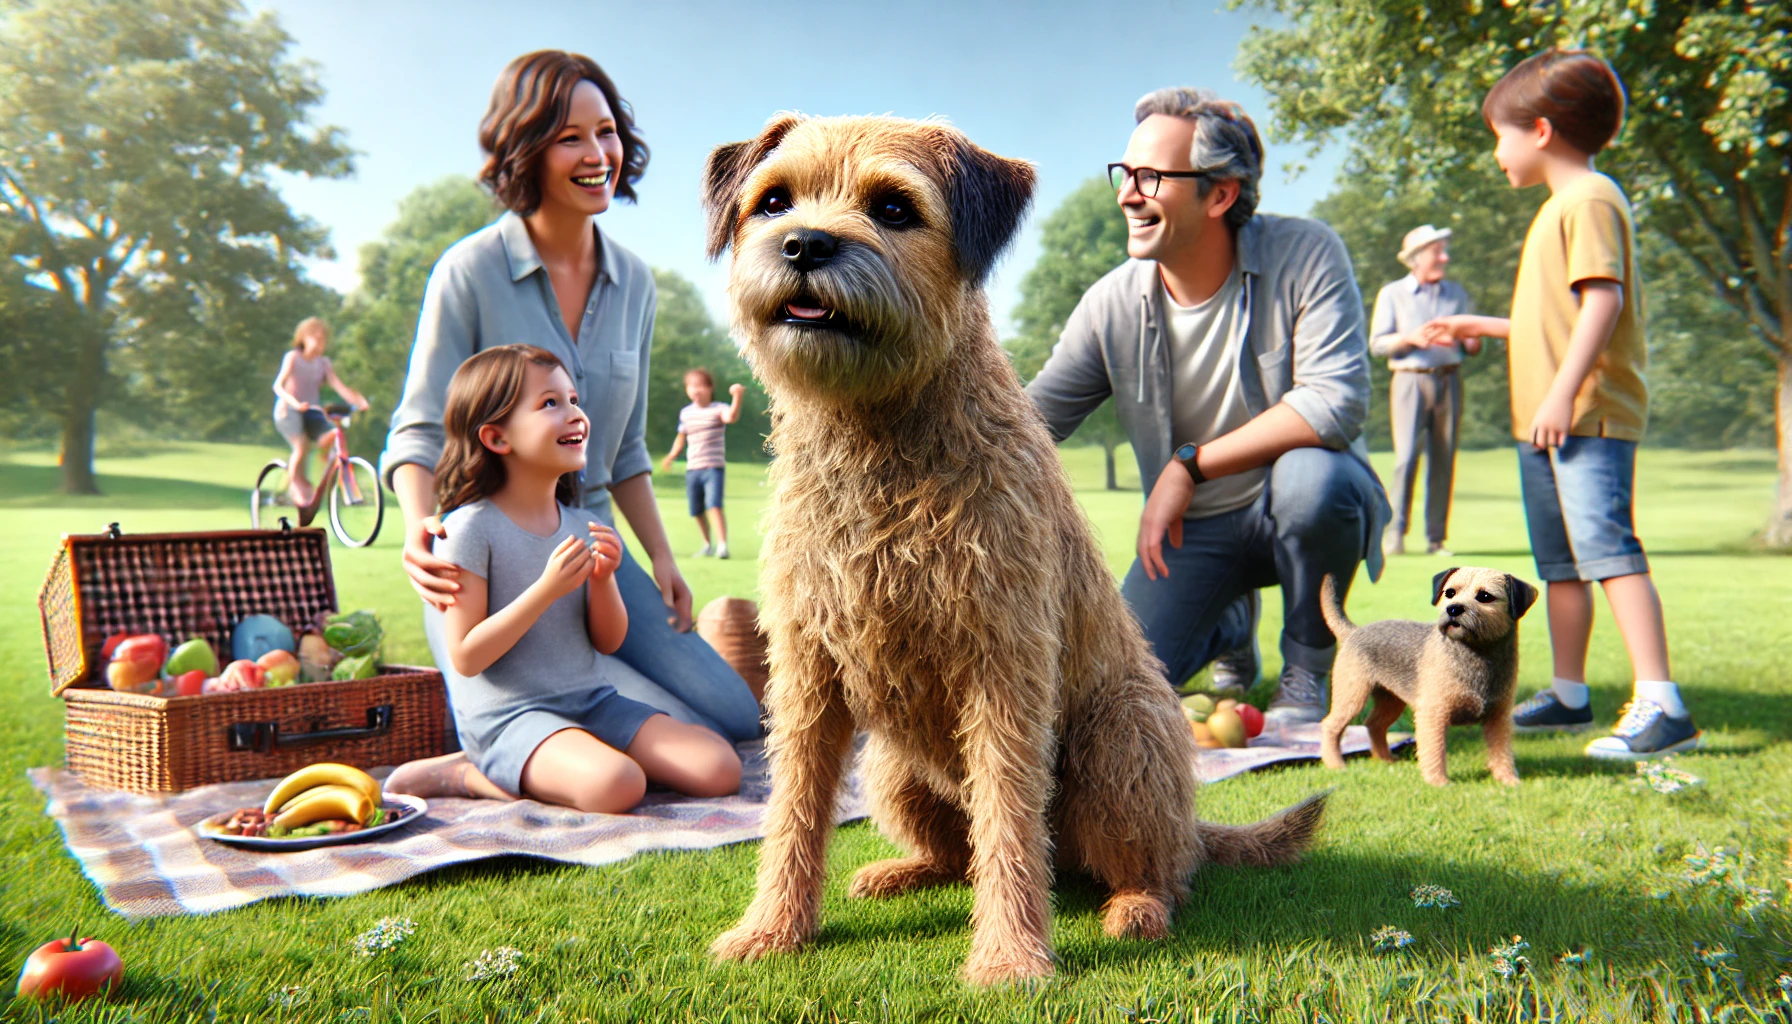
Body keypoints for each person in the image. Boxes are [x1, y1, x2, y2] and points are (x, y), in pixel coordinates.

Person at [378, 50, 763, 751]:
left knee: (733, 719)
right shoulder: (469, 272)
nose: (598, 155)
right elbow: (418, 430)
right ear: (527, 149)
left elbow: (625, 452)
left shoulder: (635, 283)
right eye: (570, 137)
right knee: (524, 728)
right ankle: (507, 748)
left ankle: (589, 687)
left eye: (607, 131)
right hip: (485, 557)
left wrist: (664, 559)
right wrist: (417, 529)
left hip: (590, 548)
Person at [1027, 87, 1391, 725]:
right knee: (1107, 696)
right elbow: (1026, 425)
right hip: (1189, 535)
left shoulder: (1307, 253)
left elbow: (1335, 402)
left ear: (1220, 194)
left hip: (1298, 507)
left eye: (1151, 177)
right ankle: (1226, 627)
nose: (1127, 194)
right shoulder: (1111, 302)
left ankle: (1308, 667)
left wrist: (1187, 465)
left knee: (1314, 479)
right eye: (1125, 173)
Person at [1426, 49, 1696, 759]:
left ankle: (1663, 705)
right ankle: (1571, 696)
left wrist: (1561, 391)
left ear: (1540, 131)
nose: (1497, 152)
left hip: (1584, 416)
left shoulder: (1590, 199)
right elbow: (1558, 320)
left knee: (1610, 553)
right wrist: (1482, 326)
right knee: (1561, 567)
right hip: (1546, 422)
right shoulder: (1559, 209)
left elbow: (1602, 303)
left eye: (1500, 134)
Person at [385, 345, 741, 810]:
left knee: (719, 767)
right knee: (618, 784)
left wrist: (603, 580)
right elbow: (467, 657)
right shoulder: (468, 530)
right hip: (512, 717)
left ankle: (572, 763)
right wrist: (545, 590)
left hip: (592, 702)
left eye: (573, 399)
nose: (575, 414)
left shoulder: (583, 524)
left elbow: (608, 643)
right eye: (550, 403)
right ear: (496, 438)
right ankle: (469, 773)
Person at [1370, 225, 1479, 557]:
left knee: (1444, 459)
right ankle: (1395, 535)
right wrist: (1409, 339)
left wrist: (1469, 340)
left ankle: (1436, 540)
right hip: (1409, 381)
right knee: (1405, 458)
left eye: (1444, 250)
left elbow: (1474, 344)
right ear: (1417, 259)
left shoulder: (1457, 294)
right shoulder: (1393, 294)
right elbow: (1377, 344)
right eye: (1437, 251)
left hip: (1449, 379)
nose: (1445, 257)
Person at [271, 317, 368, 506]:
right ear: (304, 338)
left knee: (332, 434)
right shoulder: (293, 357)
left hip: (311, 411)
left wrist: (357, 401)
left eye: (323, 339)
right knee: (301, 447)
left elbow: (337, 385)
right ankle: (297, 487)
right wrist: (294, 402)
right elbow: (278, 386)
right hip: (288, 410)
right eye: (315, 338)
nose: (319, 343)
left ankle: (324, 462)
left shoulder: (323, 363)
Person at [658, 368, 745, 559]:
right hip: (693, 468)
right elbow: (681, 438)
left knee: (714, 504)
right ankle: (707, 545)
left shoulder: (719, 408)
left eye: (699, 386)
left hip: (713, 467)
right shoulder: (686, 413)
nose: (695, 391)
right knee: (696, 509)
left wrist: (737, 396)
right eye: (690, 387)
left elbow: (731, 417)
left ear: (709, 388)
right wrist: (671, 456)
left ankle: (722, 546)